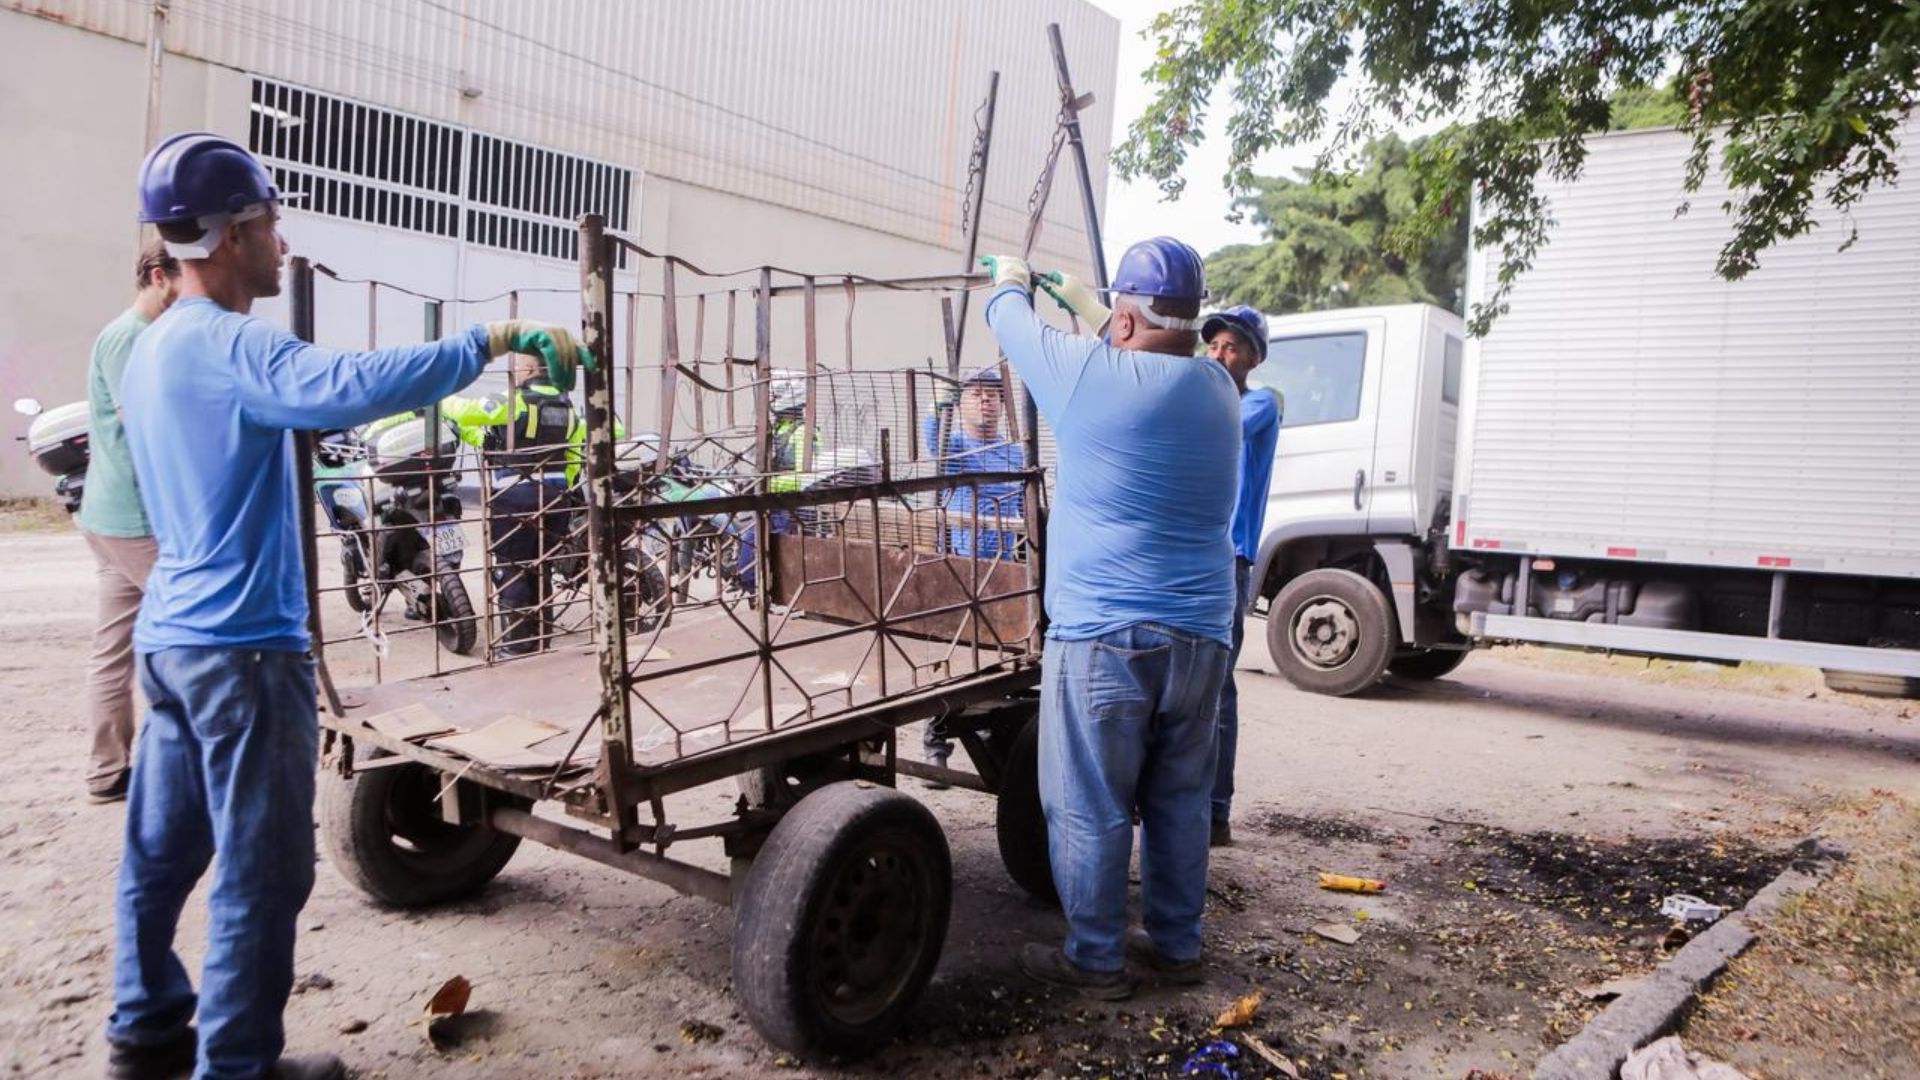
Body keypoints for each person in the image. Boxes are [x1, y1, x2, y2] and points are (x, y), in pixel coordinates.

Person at [109, 131, 587, 1080]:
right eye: (272, 224)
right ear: (235, 233)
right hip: (243, 648)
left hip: (169, 638)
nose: (281, 245)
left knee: (161, 852)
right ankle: (237, 1066)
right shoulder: (234, 343)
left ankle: (146, 1028)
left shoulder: (152, 349)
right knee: (262, 870)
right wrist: (485, 341)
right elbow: (348, 389)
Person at [982, 238, 1240, 1000]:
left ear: (1126, 322)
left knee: (1090, 805)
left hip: (1104, 637)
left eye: (1115, 315)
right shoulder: (1220, 390)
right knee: (1179, 802)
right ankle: (1177, 946)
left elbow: (1006, 316)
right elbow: (1145, 346)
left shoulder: (1087, 375)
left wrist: (1014, 279)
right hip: (1201, 639)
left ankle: (1094, 960)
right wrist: (1097, 309)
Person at [74, 240, 180, 803]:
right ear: (159, 277)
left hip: (111, 515)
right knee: (200, 638)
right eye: (186, 281)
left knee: (114, 648)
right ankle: (192, 771)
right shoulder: (130, 338)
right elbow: (145, 425)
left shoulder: (142, 336)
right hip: (135, 517)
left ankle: (107, 771)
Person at [916, 367, 1028, 782]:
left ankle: (990, 738)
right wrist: (938, 402)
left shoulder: (1014, 453)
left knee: (1000, 660)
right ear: (961, 404)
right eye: (976, 394)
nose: (985, 401)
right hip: (960, 568)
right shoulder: (954, 445)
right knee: (951, 660)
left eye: (993, 395)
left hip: (1004, 569)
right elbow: (933, 435)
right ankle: (936, 750)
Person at [438, 353, 587, 658]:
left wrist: (439, 397)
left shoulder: (515, 401)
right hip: (556, 498)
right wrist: (559, 487)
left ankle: (516, 646)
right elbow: (573, 457)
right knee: (540, 568)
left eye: (515, 365)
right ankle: (541, 637)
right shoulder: (568, 408)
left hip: (515, 498)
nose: (512, 371)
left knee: (512, 570)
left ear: (530, 368)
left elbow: (466, 412)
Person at [1198, 305, 1282, 847]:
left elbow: (1222, 424)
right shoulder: (1204, 398)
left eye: (1231, 348)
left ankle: (1216, 811)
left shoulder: (1260, 404)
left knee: (1217, 686)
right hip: (1194, 553)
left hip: (1230, 559)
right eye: (1213, 346)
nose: (1219, 355)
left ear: (1253, 357)